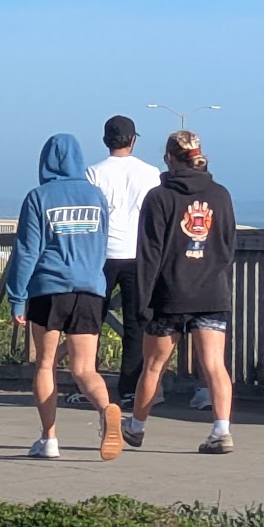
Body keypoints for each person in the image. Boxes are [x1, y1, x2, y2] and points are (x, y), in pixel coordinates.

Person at [3, 134, 123, 461]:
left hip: (49, 288)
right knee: (84, 368)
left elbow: (28, 250)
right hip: (89, 288)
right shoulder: (96, 196)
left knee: (45, 364)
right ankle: (106, 409)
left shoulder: (39, 197)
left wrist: (17, 296)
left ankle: (49, 439)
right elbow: (102, 243)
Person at [126, 129, 238, 454]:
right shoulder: (220, 195)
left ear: (168, 158)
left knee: (153, 365)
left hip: (169, 293)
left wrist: (143, 301)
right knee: (214, 364)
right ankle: (221, 430)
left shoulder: (159, 197)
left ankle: (136, 426)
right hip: (211, 291)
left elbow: (150, 254)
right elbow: (228, 246)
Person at [85, 114, 160, 409]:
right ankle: (130, 389)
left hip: (101, 255)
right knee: (136, 324)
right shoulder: (151, 173)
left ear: (106, 140)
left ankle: (89, 385)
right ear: (133, 140)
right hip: (138, 254)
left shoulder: (93, 173)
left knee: (92, 322)